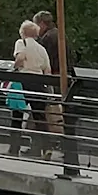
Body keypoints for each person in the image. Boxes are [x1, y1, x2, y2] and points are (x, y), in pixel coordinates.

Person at [9, 20, 50, 155]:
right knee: (40, 117)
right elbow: (47, 70)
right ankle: (46, 148)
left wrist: (14, 68)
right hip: (38, 83)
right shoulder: (41, 48)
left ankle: (14, 149)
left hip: (23, 82)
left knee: (17, 115)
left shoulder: (21, 43)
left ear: (23, 32)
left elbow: (20, 58)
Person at [32, 10, 64, 138]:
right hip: (63, 77)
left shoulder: (47, 38)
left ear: (41, 24)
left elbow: (44, 61)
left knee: (45, 113)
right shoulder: (59, 34)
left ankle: (43, 144)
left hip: (52, 79)